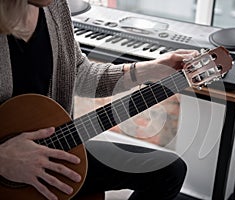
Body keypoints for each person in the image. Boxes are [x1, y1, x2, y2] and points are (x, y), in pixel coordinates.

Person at [0, 0, 199, 199]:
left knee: (169, 171)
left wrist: (153, 69)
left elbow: (79, 73)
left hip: (58, 145)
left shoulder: (55, 6)